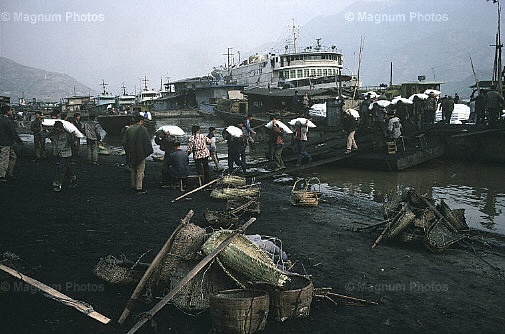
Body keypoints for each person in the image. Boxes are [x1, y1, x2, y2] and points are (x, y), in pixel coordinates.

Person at [122, 114, 153, 194]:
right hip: (141, 153)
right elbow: (147, 142)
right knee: (140, 170)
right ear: (141, 121)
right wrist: (147, 151)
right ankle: (139, 187)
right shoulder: (143, 130)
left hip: (131, 152)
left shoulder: (128, 129)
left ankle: (133, 185)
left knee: (133, 170)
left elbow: (124, 142)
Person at [46, 121, 78, 192]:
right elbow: (44, 135)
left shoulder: (67, 134)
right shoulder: (53, 133)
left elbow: (73, 143)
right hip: (57, 153)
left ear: (61, 128)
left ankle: (57, 184)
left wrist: (73, 136)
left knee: (61, 169)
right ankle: (73, 179)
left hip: (66, 154)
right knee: (65, 168)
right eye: (56, 128)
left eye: (58, 128)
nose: (57, 130)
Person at [0, 104, 23, 181]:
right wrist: (19, 141)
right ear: (7, 111)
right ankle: (2, 175)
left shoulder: (1, 119)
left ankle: (9, 173)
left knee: (12, 157)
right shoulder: (9, 121)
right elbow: (13, 133)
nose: (11, 112)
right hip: (6, 143)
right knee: (5, 159)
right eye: (10, 110)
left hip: (3, 142)